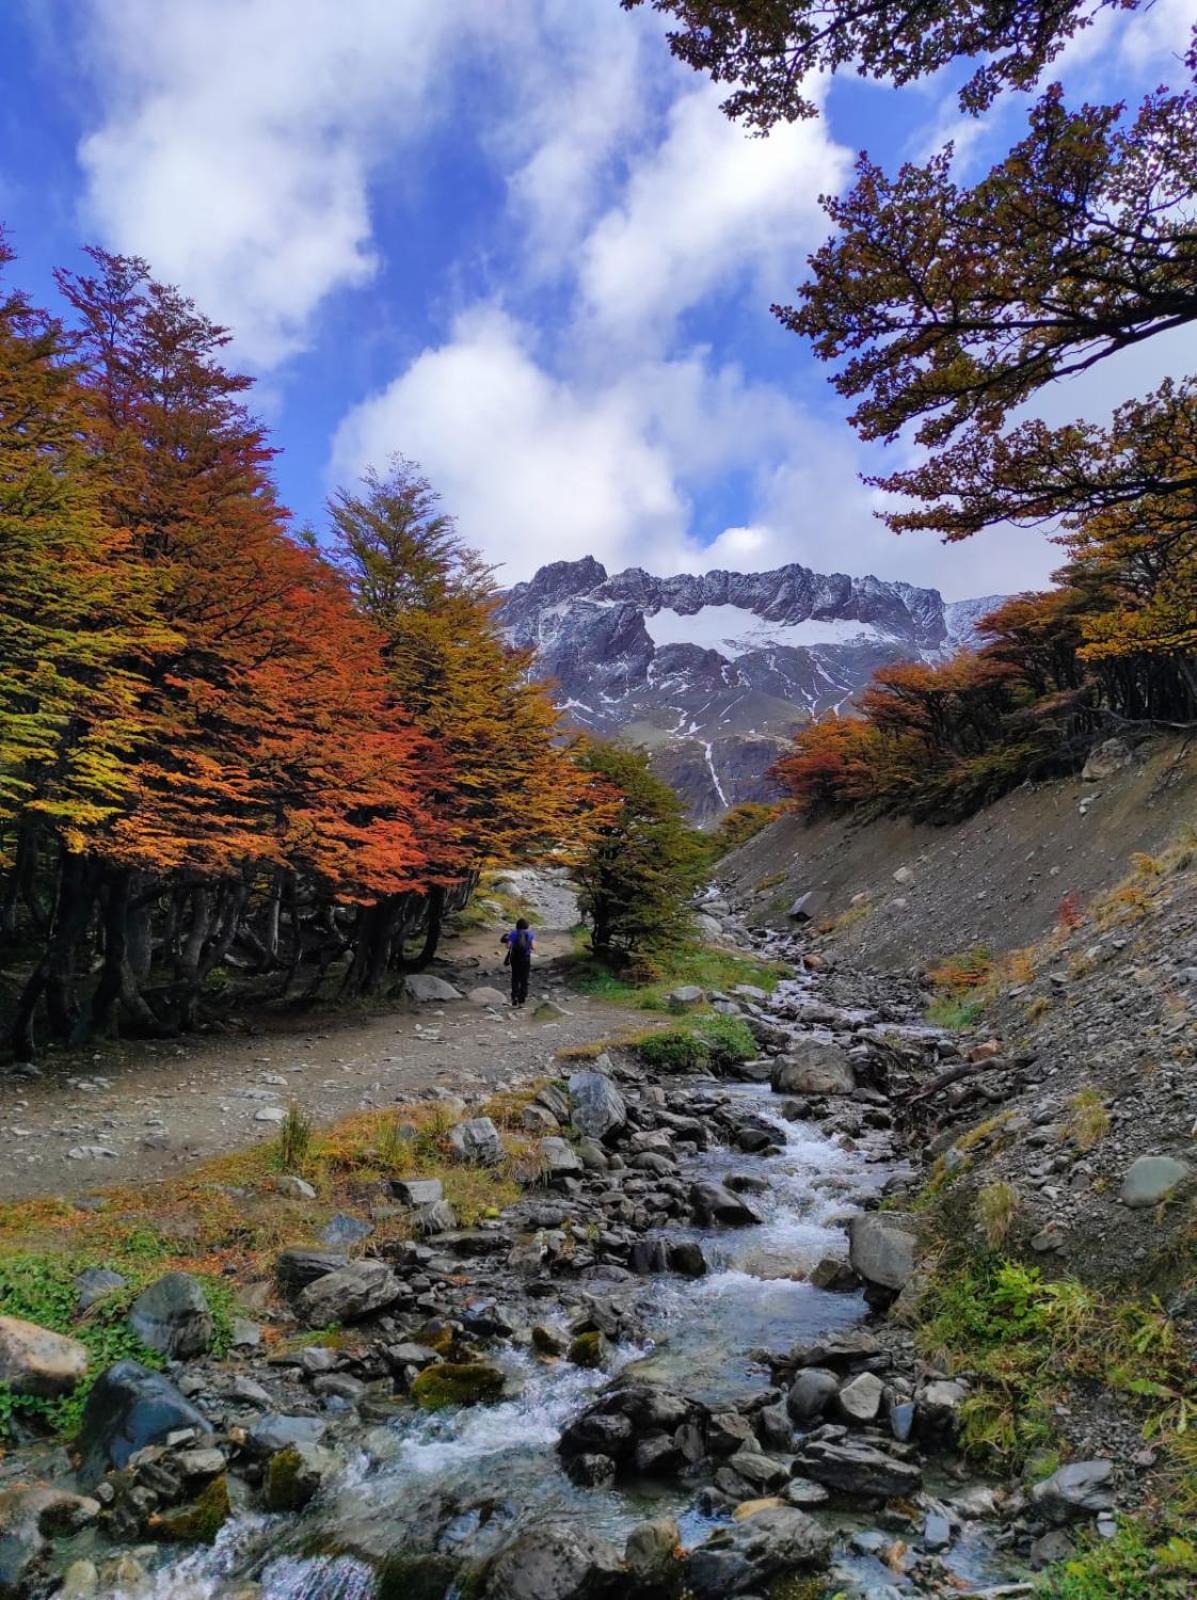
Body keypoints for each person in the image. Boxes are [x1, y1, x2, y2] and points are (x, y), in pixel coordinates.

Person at [501, 918, 535, 1008]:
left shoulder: (513, 933)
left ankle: (514, 999)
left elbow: (508, 946)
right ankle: (522, 1001)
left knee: (515, 978)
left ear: (517, 925)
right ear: (527, 926)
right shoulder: (530, 934)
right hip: (526, 958)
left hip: (515, 958)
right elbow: (533, 947)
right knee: (524, 979)